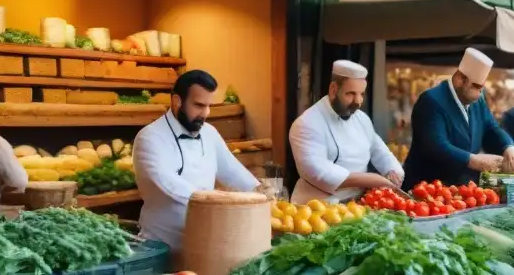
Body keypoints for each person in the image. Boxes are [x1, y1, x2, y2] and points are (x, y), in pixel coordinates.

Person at [133, 69, 261, 249]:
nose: (206, 113)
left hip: (203, 241)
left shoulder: (209, 133)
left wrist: (260, 192)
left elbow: (232, 171)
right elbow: (169, 184)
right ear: (177, 102)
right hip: (162, 246)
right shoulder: (149, 137)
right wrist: (219, 199)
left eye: (209, 106)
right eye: (199, 105)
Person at [288, 60, 404, 204]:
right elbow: (318, 172)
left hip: (357, 205)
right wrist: (373, 180)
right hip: (316, 208)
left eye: (361, 94)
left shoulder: (362, 119)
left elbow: (379, 151)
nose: (358, 101)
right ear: (333, 89)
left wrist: (392, 171)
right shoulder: (307, 124)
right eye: (350, 94)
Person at [403, 48, 514, 188]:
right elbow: (436, 145)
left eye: (482, 88)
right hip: (427, 188)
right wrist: (474, 160)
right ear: (459, 79)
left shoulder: (478, 100)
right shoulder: (431, 100)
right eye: (476, 87)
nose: (479, 94)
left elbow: (491, 128)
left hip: (462, 189)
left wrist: (508, 147)